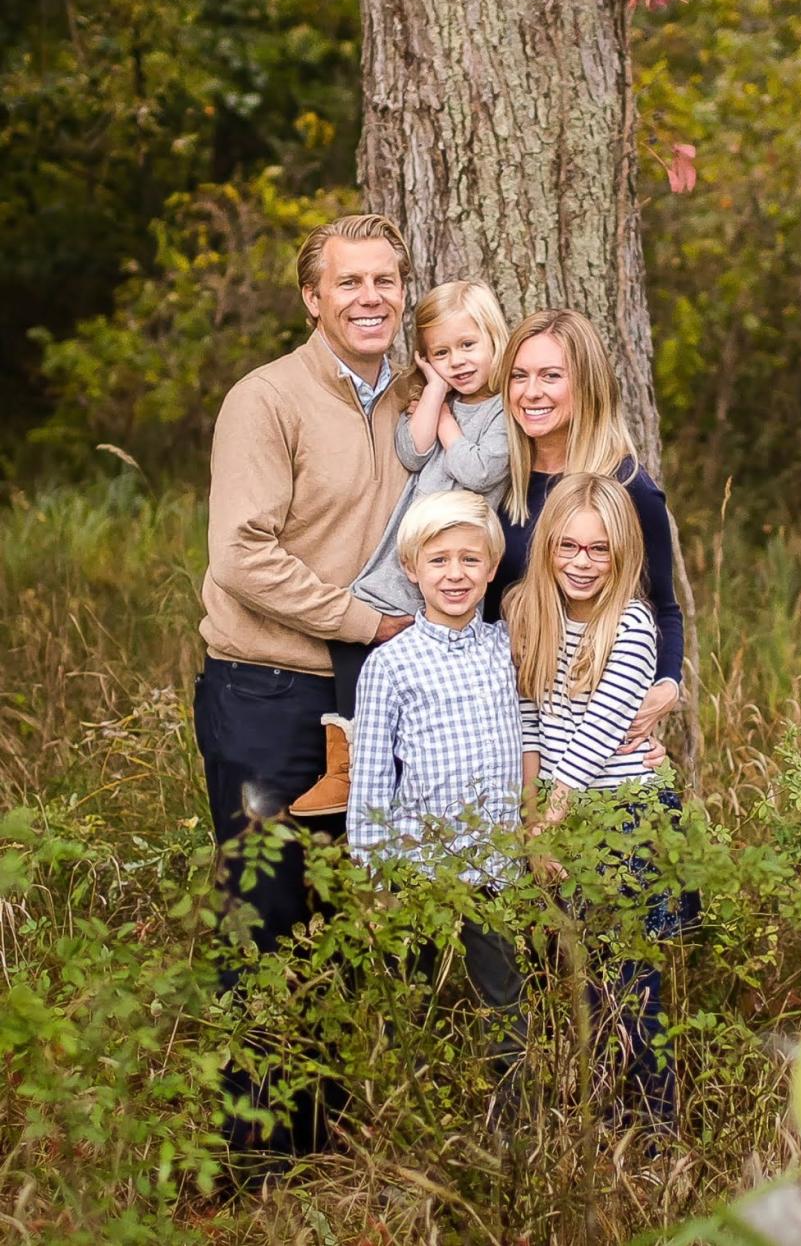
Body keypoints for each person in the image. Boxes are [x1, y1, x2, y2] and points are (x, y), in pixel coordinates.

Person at [193, 213, 414, 1162]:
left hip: (367, 701)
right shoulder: (267, 399)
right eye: (350, 283)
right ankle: (253, 1161)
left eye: (387, 281)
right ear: (313, 298)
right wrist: (367, 622)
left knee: (336, 915)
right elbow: (242, 556)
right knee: (264, 915)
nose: (371, 298)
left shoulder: (420, 395)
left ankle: (317, 1137)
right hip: (265, 697)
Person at [291, 280, 511, 816]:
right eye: (440, 353)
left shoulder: (504, 413)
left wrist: (449, 423)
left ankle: (375, 765)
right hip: (403, 560)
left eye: (467, 346)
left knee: (407, 660)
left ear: (494, 342)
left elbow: (479, 471)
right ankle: (348, 757)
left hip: (448, 565)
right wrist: (434, 391)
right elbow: (412, 453)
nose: (456, 361)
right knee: (352, 634)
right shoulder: (438, 400)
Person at [506, 471, 677, 1128]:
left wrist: (548, 823)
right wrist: (531, 811)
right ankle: (599, 1124)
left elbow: (600, 731)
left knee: (631, 981)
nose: (582, 563)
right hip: (555, 815)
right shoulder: (527, 613)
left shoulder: (630, 623)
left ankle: (658, 1134)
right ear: (547, 545)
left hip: (619, 821)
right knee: (576, 977)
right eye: (568, 547)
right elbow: (528, 718)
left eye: (598, 550)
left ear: (622, 553)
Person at [346, 490, 524, 1065]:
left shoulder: (506, 648)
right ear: (412, 568)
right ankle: (410, 1113)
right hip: (418, 869)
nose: (455, 574)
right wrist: (374, 881)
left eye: (470, 560)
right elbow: (370, 783)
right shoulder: (391, 664)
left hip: (495, 864)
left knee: (505, 1004)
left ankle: (513, 1123)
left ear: (492, 569)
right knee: (411, 1003)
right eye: (439, 560)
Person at [484, 309, 683, 752]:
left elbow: (662, 607)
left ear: (586, 384)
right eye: (519, 376)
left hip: (579, 733)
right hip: (502, 713)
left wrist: (667, 686)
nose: (531, 392)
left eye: (550, 376)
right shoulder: (496, 482)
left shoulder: (628, 491)